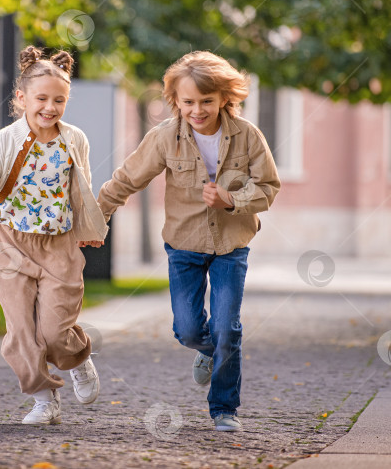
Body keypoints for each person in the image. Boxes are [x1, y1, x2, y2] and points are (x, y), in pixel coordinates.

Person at [97, 51, 280, 432]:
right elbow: (127, 179)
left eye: (207, 101)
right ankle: (210, 352)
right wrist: (97, 218)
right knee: (189, 330)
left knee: (227, 327)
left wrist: (231, 199)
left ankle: (224, 409)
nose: (198, 110)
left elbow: (268, 187)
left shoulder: (248, 136)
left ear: (224, 99)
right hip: (184, 245)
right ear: (175, 101)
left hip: (232, 244)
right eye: (189, 102)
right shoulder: (165, 137)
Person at [0, 46, 108, 425]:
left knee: (55, 329)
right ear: (21, 98)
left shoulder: (74, 139)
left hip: (59, 246)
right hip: (12, 244)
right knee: (21, 330)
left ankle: (76, 358)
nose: (50, 107)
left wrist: (88, 228)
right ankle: (44, 400)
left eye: (59, 99)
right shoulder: (5, 140)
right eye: (41, 98)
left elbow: (82, 188)